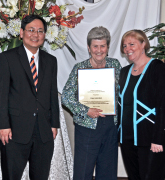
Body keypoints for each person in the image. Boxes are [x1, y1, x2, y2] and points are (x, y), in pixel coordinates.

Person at [0, 15, 60, 180]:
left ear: (44, 35)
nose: (35, 35)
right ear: (21, 33)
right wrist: (2, 125)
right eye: (31, 30)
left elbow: (52, 93)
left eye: (40, 31)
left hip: (44, 132)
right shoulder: (7, 58)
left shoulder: (51, 61)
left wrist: (54, 124)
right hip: (14, 132)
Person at [61, 26, 121, 180]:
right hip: (87, 126)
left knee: (108, 171)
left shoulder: (116, 65)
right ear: (89, 48)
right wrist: (85, 110)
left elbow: (123, 93)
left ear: (108, 47)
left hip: (110, 126)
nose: (99, 50)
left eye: (103, 46)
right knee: (83, 171)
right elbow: (66, 96)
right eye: (95, 46)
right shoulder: (79, 68)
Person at [118, 29, 165, 180]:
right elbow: (121, 104)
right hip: (127, 139)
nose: (127, 49)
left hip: (152, 139)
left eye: (131, 44)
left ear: (143, 44)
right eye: (124, 46)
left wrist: (158, 138)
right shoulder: (124, 72)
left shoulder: (157, 68)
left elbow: (163, 106)